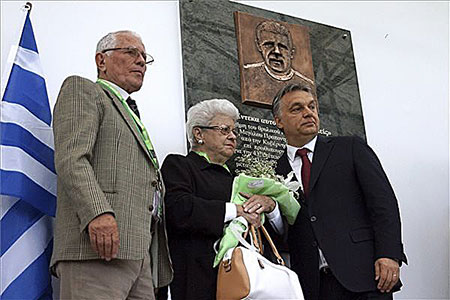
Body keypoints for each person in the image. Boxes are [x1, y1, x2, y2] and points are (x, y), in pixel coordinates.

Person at [51, 30, 172, 299]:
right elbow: (72, 158)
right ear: (101, 60)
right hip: (95, 249)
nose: (140, 61)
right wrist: (98, 213)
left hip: (138, 253)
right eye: (130, 52)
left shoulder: (129, 110)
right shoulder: (83, 90)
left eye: (144, 56)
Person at [272, 83, 407, 299]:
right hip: (314, 285)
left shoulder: (350, 148)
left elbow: (383, 203)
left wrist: (389, 254)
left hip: (365, 275)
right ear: (279, 121)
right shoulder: (273, 172)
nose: (308, 113)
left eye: (312, 107)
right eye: (297, 109)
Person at [161, 99, 281, 300]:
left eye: (234, 131)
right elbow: (178, 209)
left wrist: (271, 207)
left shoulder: (240, 179)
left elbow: (276, 234)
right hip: (199, 280)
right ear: (199, 134)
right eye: (224, 130)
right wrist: (236, 210)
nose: (233, 136)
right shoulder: (180, 166)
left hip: (249, 284)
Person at [242, 20, 314, 107]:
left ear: (292, 52)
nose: (277, 51)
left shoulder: (307, 84)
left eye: (282, 47)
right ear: (259, 46)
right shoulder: (248, 73)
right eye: (269, 45)